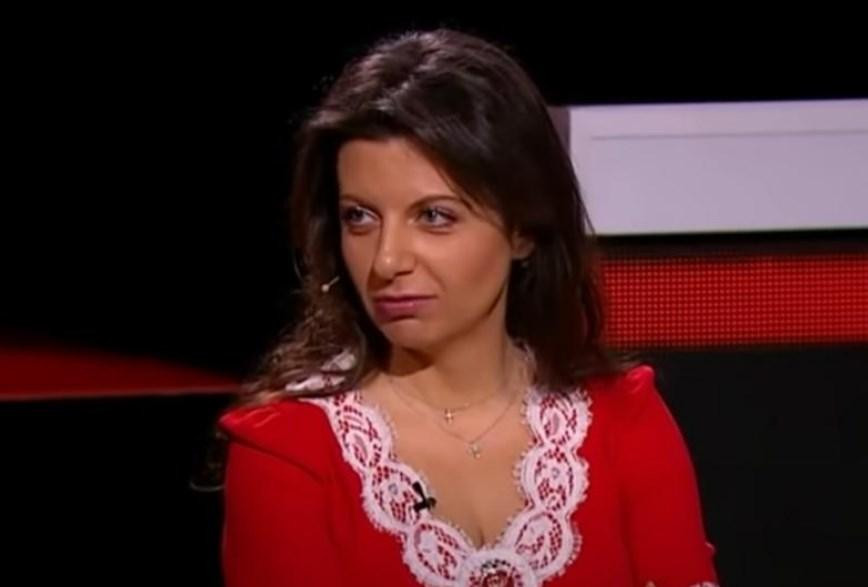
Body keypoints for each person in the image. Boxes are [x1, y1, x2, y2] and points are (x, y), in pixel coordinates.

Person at [215, 28, 720, 586]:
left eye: (434, 216)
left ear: (523, 230)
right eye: (360, 217)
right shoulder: (287, 450)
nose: (386, 261)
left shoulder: (625, 422)